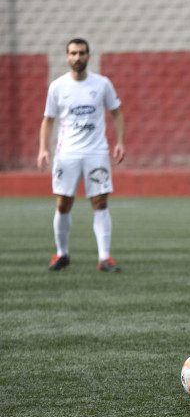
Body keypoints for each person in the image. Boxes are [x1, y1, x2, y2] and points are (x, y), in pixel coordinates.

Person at [37, 38, 126, 272]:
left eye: (82, 53)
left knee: (100, 202)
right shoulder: (58, 86)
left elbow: (117, 113)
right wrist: (43, 149)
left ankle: (105, 258)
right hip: (67, 154)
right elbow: (48, 120)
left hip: (96, 152)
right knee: (63, 203)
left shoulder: (102, 84)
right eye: (74, 53)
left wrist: (120, 142)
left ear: (89, 56)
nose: (78, 57)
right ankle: (62, 254)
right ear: (67, 57)